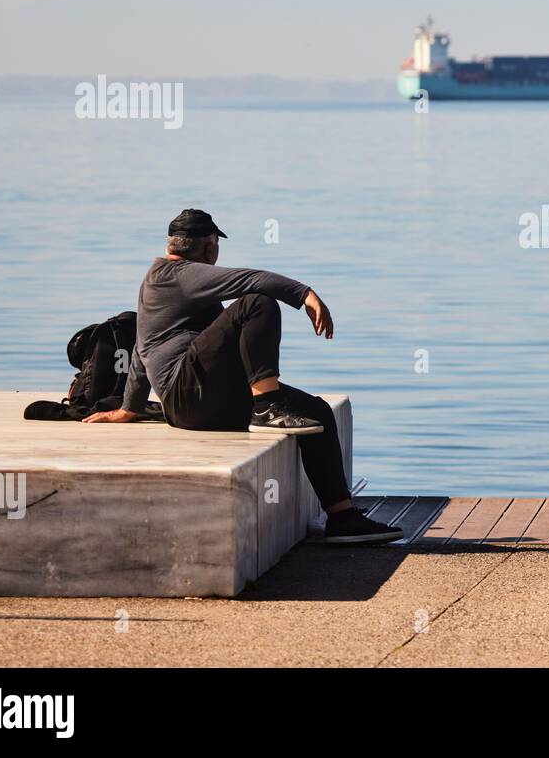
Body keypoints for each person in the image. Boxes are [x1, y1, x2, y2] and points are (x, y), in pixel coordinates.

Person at [85, 209, 402, 545]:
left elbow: (140, 346)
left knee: (317, 412)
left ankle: (342, 518)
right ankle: (266, 404)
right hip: (188, 394)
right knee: (256, 303)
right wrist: (305, 294)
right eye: (215, 246)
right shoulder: (179, 274)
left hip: (198, 400)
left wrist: (129, 408)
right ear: (209, 248)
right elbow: (252, 281)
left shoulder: (169, 282)